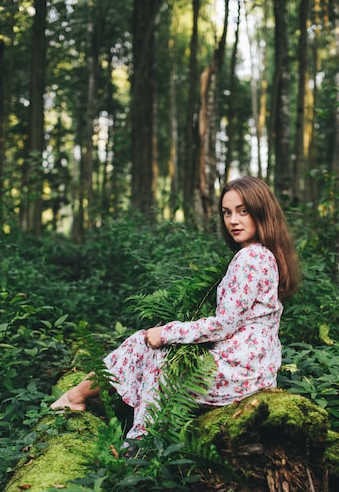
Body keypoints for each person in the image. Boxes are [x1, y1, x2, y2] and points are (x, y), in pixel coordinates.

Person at [51, 176, 300, 443]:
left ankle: (139, 442)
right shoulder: (265, 254)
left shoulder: (249, 258)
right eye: (227, 212)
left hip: (240, 371)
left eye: (243, 211)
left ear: (261, 211)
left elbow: (224, 325)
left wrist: (168, 333)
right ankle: (85, 395)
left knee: (157, 353)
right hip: (256, 368)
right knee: (143, 342)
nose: (233, 221)